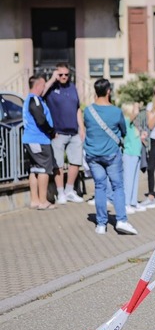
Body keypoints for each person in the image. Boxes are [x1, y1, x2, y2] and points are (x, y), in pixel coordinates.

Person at [83, 78, 138, 235]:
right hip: (111, 155)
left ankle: (101, 224)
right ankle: (121, 220)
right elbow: (123, 131)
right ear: (108, 91)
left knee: (100, 186)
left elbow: (88, 127)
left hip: (93, 155)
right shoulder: (115, 111)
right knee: (117, 186)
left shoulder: (88, 111)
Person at [43, 62, 85, 204]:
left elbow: (77, 108)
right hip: (58, 133)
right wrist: (52, 79)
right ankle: (60, 193)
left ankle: (69, 190)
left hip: (74, 132)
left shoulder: (72, 87)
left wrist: (82, 128)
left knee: (75, 161)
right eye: (60, 74)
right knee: (58, 164)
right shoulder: (51, 88)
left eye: (66, 74)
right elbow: (40, 94)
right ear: (56, 74)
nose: (64, 77)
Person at [22, 74, 57, 210]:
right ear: (37, 86)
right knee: (43, 169)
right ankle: (43, 201)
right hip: (39, 139)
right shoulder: (35, 100)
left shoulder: (29, 99)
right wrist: (51, 132)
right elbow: (41, 120)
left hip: (30, 140)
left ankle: (34, 200)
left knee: (34, 169)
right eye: (43, 85)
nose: (44, 88)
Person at [120, 102, 147, 213]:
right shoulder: (126, 121)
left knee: (134, 180)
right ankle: (126, 204)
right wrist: (137, 105)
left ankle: (133, 202)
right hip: (129, 154)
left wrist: (141, 137)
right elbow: (135, 113)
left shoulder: (132, 125)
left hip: (136, 154)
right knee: (128, 180)